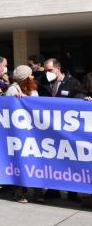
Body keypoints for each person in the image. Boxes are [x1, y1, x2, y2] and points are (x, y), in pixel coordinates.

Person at [40, 58, 82, 202]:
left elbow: (79, 99)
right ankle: (53, 190)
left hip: (67, 130)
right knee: (52, 159)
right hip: (49, 129)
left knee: (69, 159)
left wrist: (86, 100)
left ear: (58, 68)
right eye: (45, 70)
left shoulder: (73, 83)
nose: (47, 73)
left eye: (50, 70)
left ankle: (72, 192)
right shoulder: (44, 83)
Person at [4, 65, 42, 203]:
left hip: (33, 131)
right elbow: (7, 109)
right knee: (20, 161)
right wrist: (16, 100)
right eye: (30, 75)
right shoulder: (12, 90)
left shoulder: (33, 89)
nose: (33, 77)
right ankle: (19, 191)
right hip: (18, 133)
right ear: (24, 78)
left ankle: (38, 191)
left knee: (36, 161)